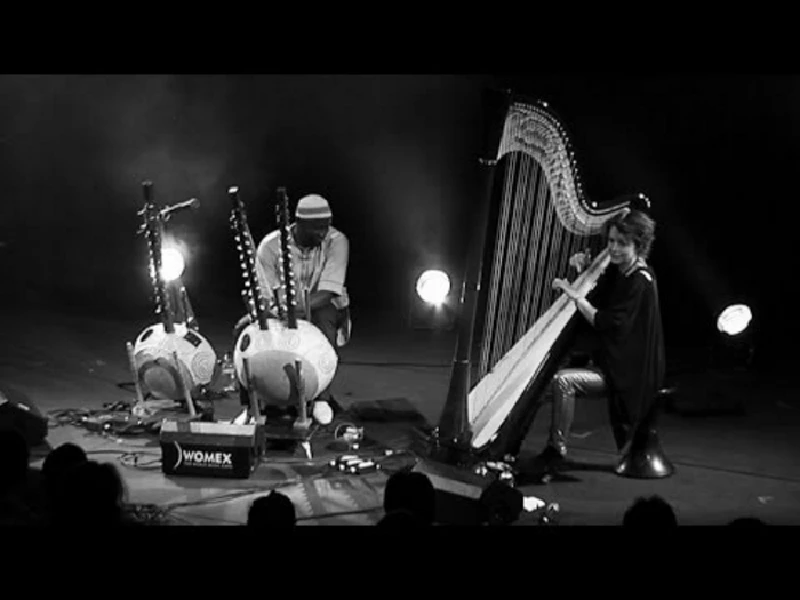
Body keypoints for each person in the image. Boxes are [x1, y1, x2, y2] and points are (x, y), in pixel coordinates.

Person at [538, 209, 665, 469]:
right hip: (617, 362)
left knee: (562, 382)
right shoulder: (626, 271)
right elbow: (604, 297)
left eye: (622, 243)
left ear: (638, 246)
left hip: (631, 374)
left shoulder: (640, 281)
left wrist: (575, 296)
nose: (614, 249)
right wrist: (584, 269)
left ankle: (556, 450)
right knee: (543, 377)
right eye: (611, 241)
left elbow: (604, 321)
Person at [233, 194, 349, 423]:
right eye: (316, 228)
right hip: (280, 309)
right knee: (244, 331)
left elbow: (329, 290)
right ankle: (250, 405)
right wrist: (268, 311)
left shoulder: (337, 241)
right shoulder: (271, 245)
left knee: (324, 324)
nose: (322, 233)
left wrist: (296, 309)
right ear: (298, 225)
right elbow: (264, 292)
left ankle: (320, 399)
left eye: (325, 227)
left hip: (321, 304)